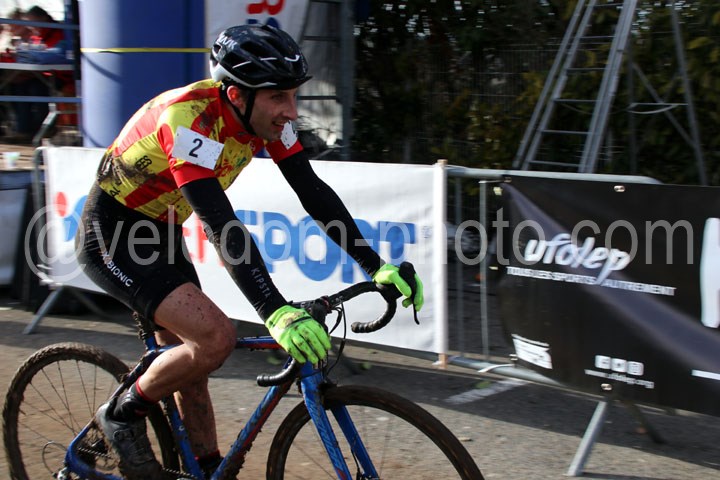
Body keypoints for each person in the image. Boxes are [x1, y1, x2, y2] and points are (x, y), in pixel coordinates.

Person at [76, 24, 423, 479]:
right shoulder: (188, 121)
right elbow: (221, 223)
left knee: (190, 367)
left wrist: (375, 266)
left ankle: (206, 470)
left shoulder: (265, 120)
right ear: (237, 95)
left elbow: (312, 192)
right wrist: (274, 310)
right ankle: (121, 415)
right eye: (279, 97)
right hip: (114, 235)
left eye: (293, 95)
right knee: (214, 339)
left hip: (163, 230)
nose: (290, 111)